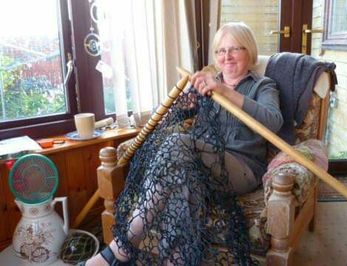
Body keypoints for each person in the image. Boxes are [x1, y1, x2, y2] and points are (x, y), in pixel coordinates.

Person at [80, 21, 283, 266]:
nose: (226, 56)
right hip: (198, 164)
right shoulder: (206, 85)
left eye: (235, 49)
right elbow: (163, 119)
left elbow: (274, 122)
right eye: (220, 51)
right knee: (183, 182)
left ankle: (121, 247)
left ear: (249, 51)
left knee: (178, 144)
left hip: (241, 168)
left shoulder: (264, 85)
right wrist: (184, 102)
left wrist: (225, 91)